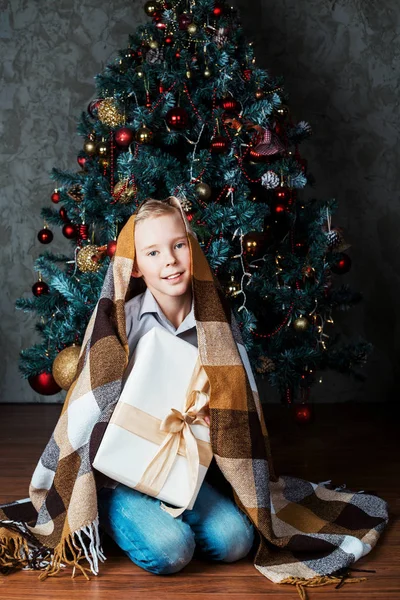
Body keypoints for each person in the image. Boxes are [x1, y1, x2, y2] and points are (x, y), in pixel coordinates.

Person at [97, 198, 256, 574]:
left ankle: (171, 514)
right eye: (153, 252)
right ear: (136, 267)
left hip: (184, 466)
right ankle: (109, 514)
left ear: (191, 248)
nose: (169, 259)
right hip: (121, 472)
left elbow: (239, 397)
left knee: (236, 541)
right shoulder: (124, 323)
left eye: (178, 245)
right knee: (172, 550)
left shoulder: (214, 324)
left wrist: (215, 413)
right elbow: (93, 401)